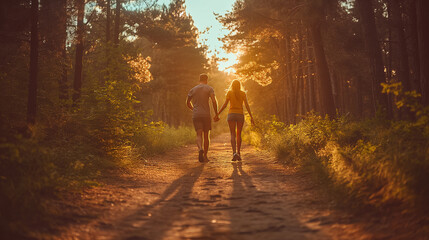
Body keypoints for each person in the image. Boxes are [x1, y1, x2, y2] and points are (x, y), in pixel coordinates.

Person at [217, 80, 254, 161]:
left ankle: (234, 153)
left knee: (232, 134)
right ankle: (239, 153)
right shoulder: (243, 93)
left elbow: (225, 105)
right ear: (239, 85)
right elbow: (247, 105)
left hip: (231, 115)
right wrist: (251, 116)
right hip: (240, 114)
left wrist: (218, 113)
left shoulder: (229, 93)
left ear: (232, 85)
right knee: (238, 134)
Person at [186, 74, 219, 162]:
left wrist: (194, 109)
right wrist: (216, 114)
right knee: (206, 135)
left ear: (199, 80)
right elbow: (213, 101)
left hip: (196, 115)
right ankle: (205, 156)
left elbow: (187, 102)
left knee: (198, 134)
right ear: (206, 80)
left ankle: (200, 148)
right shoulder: (209, 88)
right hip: (206, 115)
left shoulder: (193, 89)